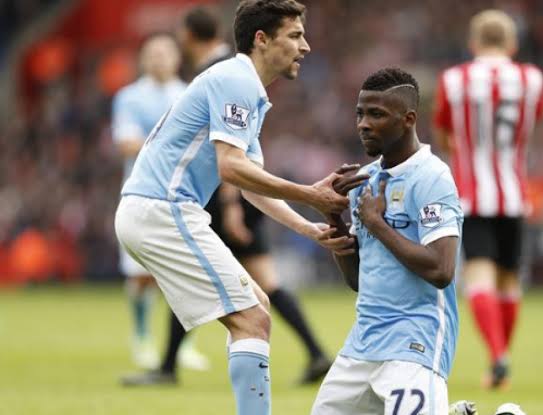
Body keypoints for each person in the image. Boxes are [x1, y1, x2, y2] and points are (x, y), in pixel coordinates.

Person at [115, 1, 364, 414]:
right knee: (251, 317)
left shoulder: (243, 85)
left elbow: (249, 184)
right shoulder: (237, 82)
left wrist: (308, 228)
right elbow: (230, 166)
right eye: (296, 35)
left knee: (256, 309)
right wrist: (311, 194)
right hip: (164, 209)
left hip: (157, 210)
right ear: (262, 39)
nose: (306, 46)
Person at [311, 67, 464, 414]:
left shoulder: (432, 177)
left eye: (376, 114)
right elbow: (356, 280)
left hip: (415, 340)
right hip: (362, 342)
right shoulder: (364, 181)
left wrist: (377, 224)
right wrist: (333, 215)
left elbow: (441, 269)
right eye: (360, 114)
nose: (364, 123)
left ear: (408, 119)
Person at [432, 9, 543, 389]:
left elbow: (445, 132)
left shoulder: (453, 80)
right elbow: (532, 125)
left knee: (479, 275)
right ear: (512, 44)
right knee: (509, 281)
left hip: (472, 195)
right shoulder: (531, 79)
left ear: (473, 43)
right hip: (514, 193)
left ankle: (497, 356)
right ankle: (501, 360)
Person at [112, 33, 208, 371]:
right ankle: (141, 337)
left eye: (165, 53)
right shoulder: (128, 97)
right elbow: (125, 144)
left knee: (182, 274)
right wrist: (171, 148)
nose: (159, 59)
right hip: (141, 195)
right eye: (152, 53)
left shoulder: (189, 94)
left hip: (184, 195)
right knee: (141, 276)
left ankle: (183, 346)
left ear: (177, 58)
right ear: (142, 59)